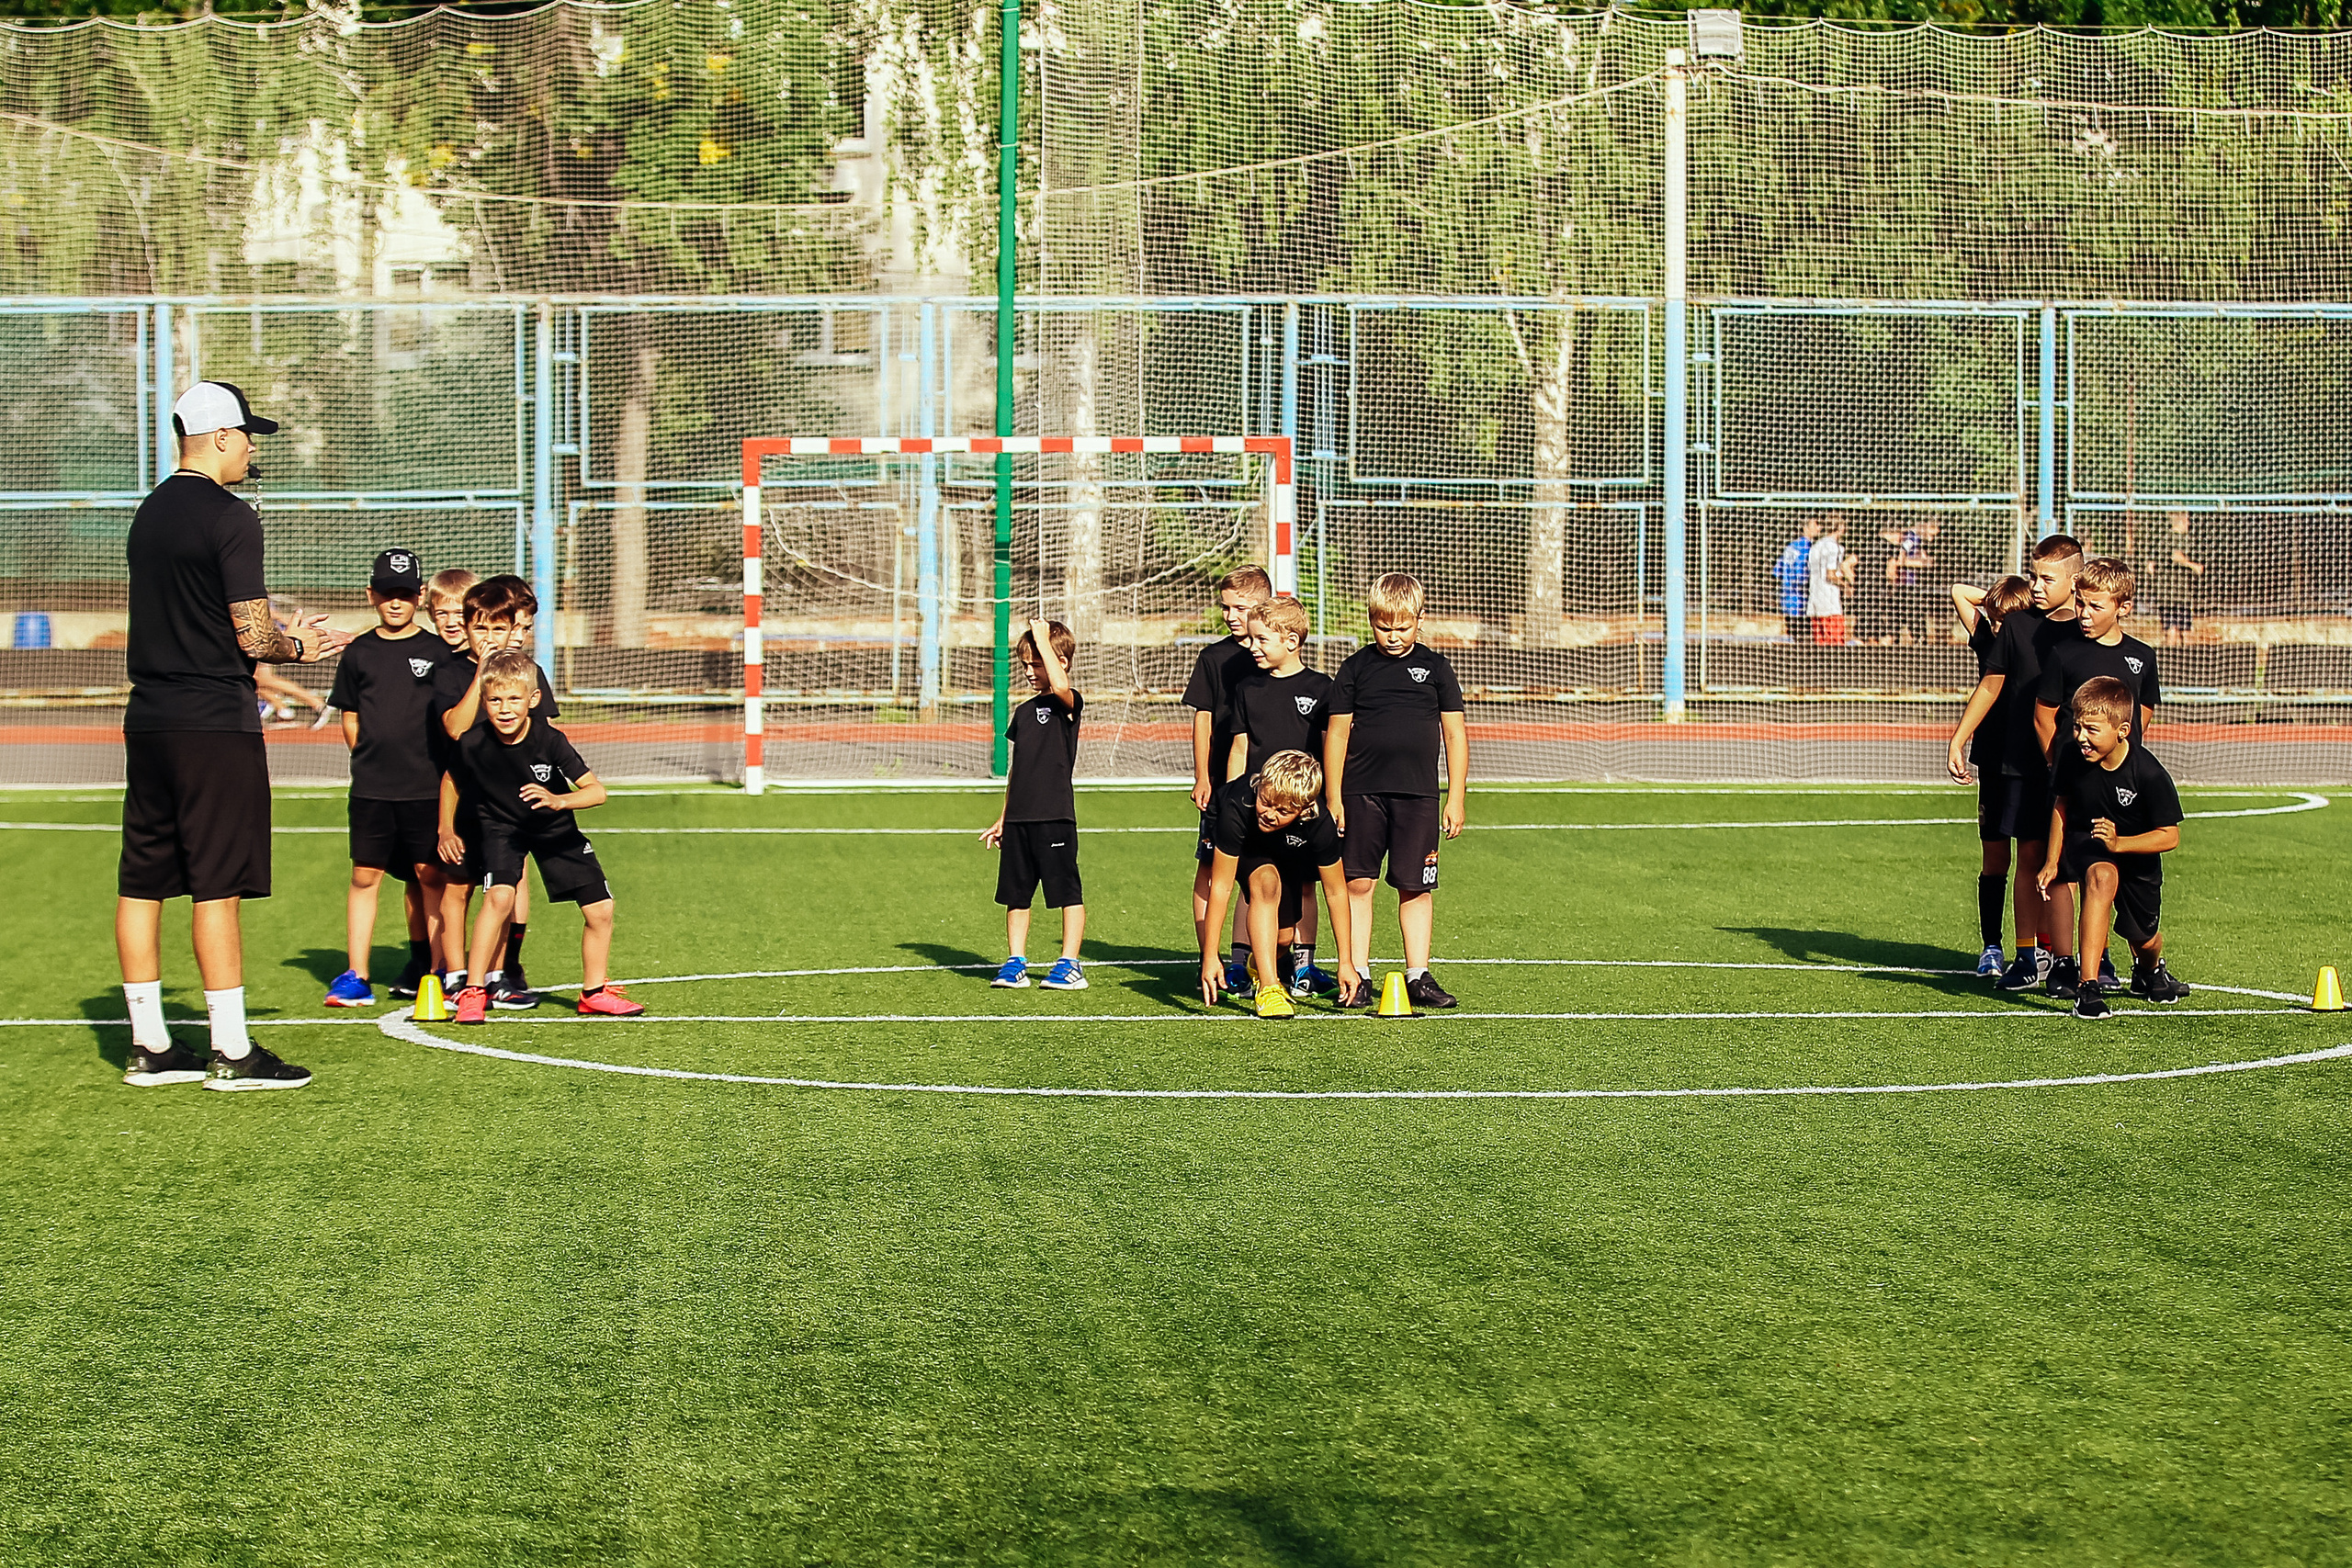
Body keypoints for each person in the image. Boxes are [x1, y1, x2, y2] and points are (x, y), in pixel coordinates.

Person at [117, 381, 353, 1090]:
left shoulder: (148, 513)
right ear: (220, 437)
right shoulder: (232, 517)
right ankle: (232, 1050)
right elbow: (252, 632)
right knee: (215, 881)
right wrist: (303, 647)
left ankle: (150, 1046)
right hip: (212, 721)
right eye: (248, 434)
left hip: (150, 716)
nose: (253, 447)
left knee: (143, 881)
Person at [448, 650, 641, 1024]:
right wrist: (446, 828)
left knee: (601, 909)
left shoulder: (550, 741)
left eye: (514, 699)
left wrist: (558, 800)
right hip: (501, 829)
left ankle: (594, 993)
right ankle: (473, 991)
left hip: (555, 827)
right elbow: (451, 780)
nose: (505, 709)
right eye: (495, 700)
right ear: (483, 701)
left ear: (533, 700)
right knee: (499, 897)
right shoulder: (472, 743)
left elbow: (596, 792)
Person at [1947, 533, 2086, 997]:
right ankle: (2023, 953)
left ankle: (2087, 957)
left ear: (2075, 581)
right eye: (2033, 576)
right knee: (2026, 857)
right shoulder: (2018, 628)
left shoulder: (2088, 632)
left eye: (2047, 577)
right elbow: (1990, 684)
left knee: (2080, 862)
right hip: (2018, 767)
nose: (2037, 585)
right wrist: (1959, 738)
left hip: (2073, 766)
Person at [1323, 572, 1468, 1010]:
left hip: (1418, 797)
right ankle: (1358, 973)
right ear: (1371, 621)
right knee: (1358, 883)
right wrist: (1333, 798)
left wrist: (1455, 797)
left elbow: (1455, 735)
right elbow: (1336, 734)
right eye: (1384, 627)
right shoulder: (1355, 669)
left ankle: (1419, 975)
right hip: (1361, 795)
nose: (1392, 636)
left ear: (1419, 621)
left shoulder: (1438, 670)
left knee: (1415, 887)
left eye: (1402, 627)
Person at [322, 548, 453, 1007]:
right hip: (373, 789)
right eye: (386, 594)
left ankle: (438, 970)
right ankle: (356, 973)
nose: (395, 603)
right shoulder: (359, 652)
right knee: (364, 876)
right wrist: (371, 759)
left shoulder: (438, 652)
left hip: (426, 788)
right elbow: (350, 716)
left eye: (404, 594)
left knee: (428, 876)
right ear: (371, 594)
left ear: (419, 596)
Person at [430, 575, 561, 1008]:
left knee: (503, 890)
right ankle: (453, 973)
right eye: (483, 629)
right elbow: (455, 726)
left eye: (503, 629)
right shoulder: (450, 671)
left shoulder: (529, 673)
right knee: (456, 888)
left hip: (511, 807)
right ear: (467, 628)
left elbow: (544, 736)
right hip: (466, 797)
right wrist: (481, 676)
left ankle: (497, 974)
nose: (495, 638)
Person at [2036, 677, 2191, 1021]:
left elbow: (2169, 836)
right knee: (2101, 877)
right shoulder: (2072, 757)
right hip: (2089, 845)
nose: (2080, 737)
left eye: (2091, 729)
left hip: (2138, 859)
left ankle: (2149, 971)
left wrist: (2121, 843)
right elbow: (2061, 804)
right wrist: (2051, 860)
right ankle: (2087, 988)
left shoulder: (2149, 774)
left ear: (2122, 730)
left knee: (2144, 938)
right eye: (2076, 727)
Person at [1223, 595, 1339, 998]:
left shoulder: (1322, 689)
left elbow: (1330, 750)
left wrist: (1329, 801)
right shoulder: (1247, 688)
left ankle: (1303, 967)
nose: (1252, 647)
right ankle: (1239, 964)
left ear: (1291, 641)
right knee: (1252, 886)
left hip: (1299, 810)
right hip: (1259, 807)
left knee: (1307, 884)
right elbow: (1239, 747)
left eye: (1261, 640)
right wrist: (1228, 799)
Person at [1196, 750, 1361, 1018]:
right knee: (1266, 883)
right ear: (1260, 785)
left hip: (1286, 847)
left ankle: (1256, 966)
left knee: (1283, 938)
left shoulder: (1318, 823)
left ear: (1305, 809)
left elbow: (1336, 891)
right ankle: (1270, 987)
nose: (1270, 814)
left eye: (1283, 810)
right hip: (1245, 842)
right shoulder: (1238, 805)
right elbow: (1222, 886)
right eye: (1266, 801)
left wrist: (1346, 961)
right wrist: (1210, 955)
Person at [980, 618, 1086, 991]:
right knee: (1016, 894)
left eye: (1037, 662)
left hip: (1055, 817)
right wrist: (1004, 818)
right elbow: (1017, 770)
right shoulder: (1023, 713)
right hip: (1021, 819)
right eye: (1024, 664)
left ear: (1060, 661)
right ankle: (1015, 962)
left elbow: (1060, 685)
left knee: (1066, 891)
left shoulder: (1068, 703)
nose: (1029, 671)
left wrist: (1042, 637)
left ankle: (1070, 964)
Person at [1183, 566, 1272, 988]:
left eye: (1240, 607)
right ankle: (1210, 957)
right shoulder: (1213, 658)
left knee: (1258, 873)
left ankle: (1245, 960)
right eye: (1225, 606)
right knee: (1211, 870)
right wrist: (1203, 776)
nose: (1231, 615)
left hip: (1271, 791)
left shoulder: (1272, 654)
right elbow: (1203, 720)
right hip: (1223, 786)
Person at [1951, 574, 2035, 976]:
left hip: (2031, 762)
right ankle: (1991, 946)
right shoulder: (1988, 638)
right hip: (1993, 760)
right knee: (1995, 857)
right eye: (1996, 620)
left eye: (2007, 620)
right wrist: (1998, 600)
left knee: (2035, 857)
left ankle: (2040, 948)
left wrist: (2017, 604)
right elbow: (1958, 593)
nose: (1999, 628)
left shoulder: (2038, 642)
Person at [2146, 510, 2205, 647]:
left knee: (2181, 630)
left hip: (2176, 595)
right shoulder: (2170, 539)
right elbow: (2175, 557)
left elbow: (2151, 566)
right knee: (2176, 630)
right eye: (2188, 520)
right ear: (2182, 520)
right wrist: (2192, 565)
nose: (2189, 524)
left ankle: (2181, 662)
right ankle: (2175, 662)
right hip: (2174, 595)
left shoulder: (2170, 540)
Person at [1806, 516, 1852, 646]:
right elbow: (1830, 575)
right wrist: (1845, 585)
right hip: (1829, 602)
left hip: (1814, 600)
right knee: (1835, 644)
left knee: (1820, 644)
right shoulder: (1833, 547)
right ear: (1841, 527)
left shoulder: (1815, 546)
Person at [1773, 517, 1820, 641]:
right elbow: (1801, 576)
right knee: (1805, 640)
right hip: (1801, 602)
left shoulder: (1790, 547)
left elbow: (1777, 571)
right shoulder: (1807, 548)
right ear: (1805, 528)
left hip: (1787, 600)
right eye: (1815, 525)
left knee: (1794, 636)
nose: (1819, 528)